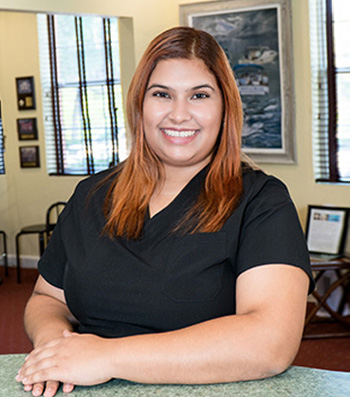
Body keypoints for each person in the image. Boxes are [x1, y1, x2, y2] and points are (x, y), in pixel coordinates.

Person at [16, 26, 314, 397]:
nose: (178, 114)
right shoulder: (91, 195)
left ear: (225, 108)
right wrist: (55, 345)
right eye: (162, 94)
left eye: (199, 95)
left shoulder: (261, 201)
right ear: (140, 103)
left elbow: (270, 343)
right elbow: (47, 298)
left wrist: (106, 356)